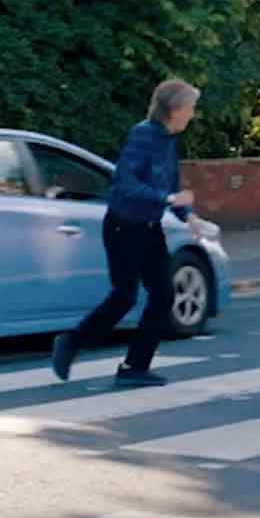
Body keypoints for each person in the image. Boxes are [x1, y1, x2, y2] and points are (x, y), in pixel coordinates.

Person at [51, 78, 206, 387]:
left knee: (163, 296)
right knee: (123, 296)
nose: (192, 114)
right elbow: (125, 182)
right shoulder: (143, 135)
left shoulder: (168, 141)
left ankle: (135, 367)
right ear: (174, 109)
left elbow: (171, 188)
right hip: (124, 226)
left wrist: (188, 216)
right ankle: (71, 342)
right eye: (190, 108)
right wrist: (166, 199)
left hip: (149, 228)